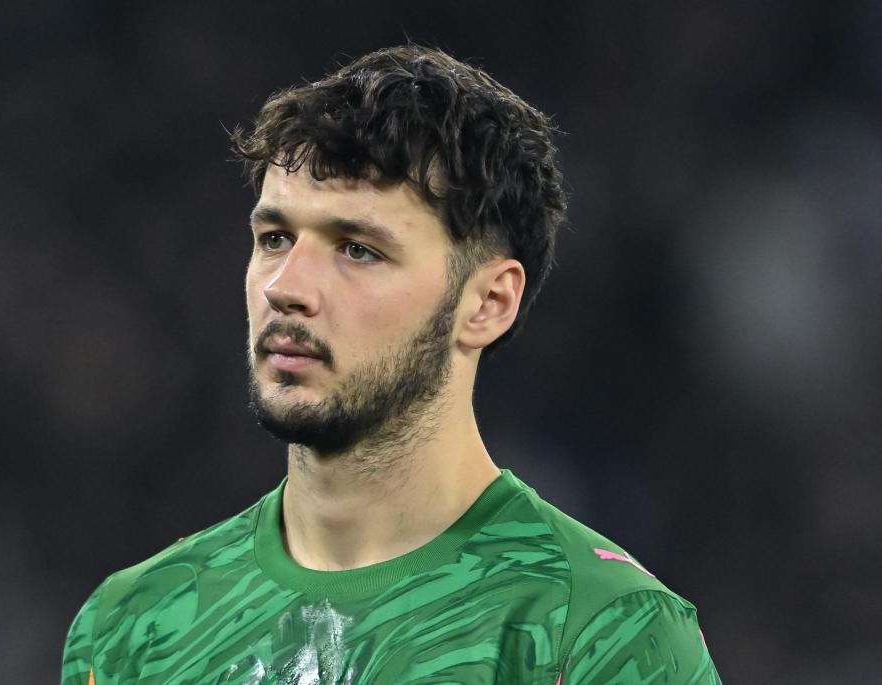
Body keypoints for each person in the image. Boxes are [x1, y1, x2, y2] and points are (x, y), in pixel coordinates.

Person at [61, 44, 722, 684]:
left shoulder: (599, 633)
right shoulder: (134, 627)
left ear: (488, 302)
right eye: (275, 238)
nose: (285, 286)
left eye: (357, 249)